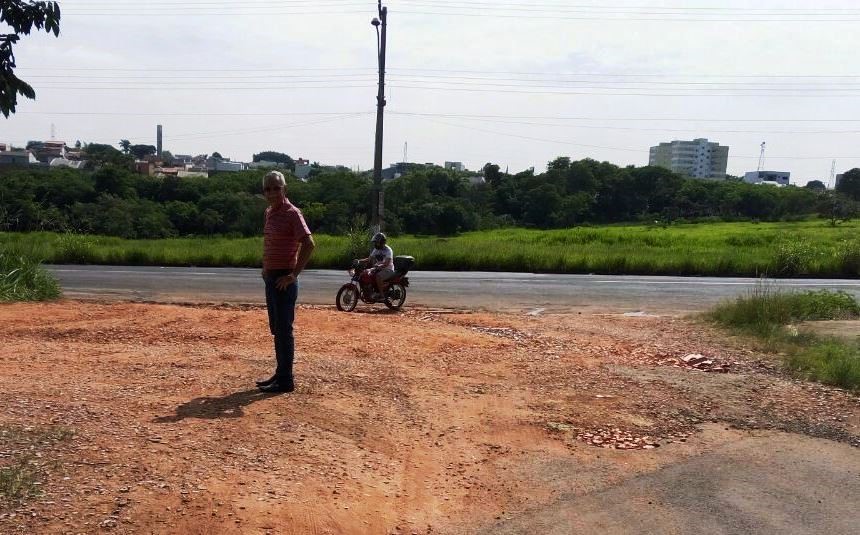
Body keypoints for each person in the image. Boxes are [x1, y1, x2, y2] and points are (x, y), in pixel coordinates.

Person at [256, 171, 315, 393]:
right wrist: (264, 268)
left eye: (276, 188)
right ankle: (280, 374)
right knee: (276, 329)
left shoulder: (293, 213)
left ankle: (286, 380)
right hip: (270, 278)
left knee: (284, 330)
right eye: (268, 189)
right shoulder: (269, 212)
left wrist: (293, 275)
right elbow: (269, 242)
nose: (272, 192)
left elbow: (309, 244)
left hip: (284, 280)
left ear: (285, 189)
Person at [361, 232, 395, 300]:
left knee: (378, 276)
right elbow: (369, 259)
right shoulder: (376, 249)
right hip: (377, 268)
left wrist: (379, 266)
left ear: (382, 242)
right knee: (364, 273)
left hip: (388, 269)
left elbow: (387, 263)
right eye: (375, 242)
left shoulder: (388, 250)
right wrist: (359, 261)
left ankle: (382, 295)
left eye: (377, 242)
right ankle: (369, 292)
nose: (375, 244)